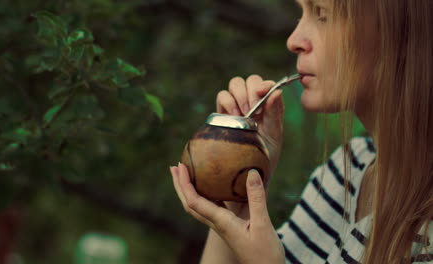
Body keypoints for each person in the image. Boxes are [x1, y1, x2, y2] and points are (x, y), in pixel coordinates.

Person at [170, 0, 433, 263]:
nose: (293, 41)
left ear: (401, 30)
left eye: (322, 15)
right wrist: (240, 191)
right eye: (301, 14)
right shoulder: (346, 173)